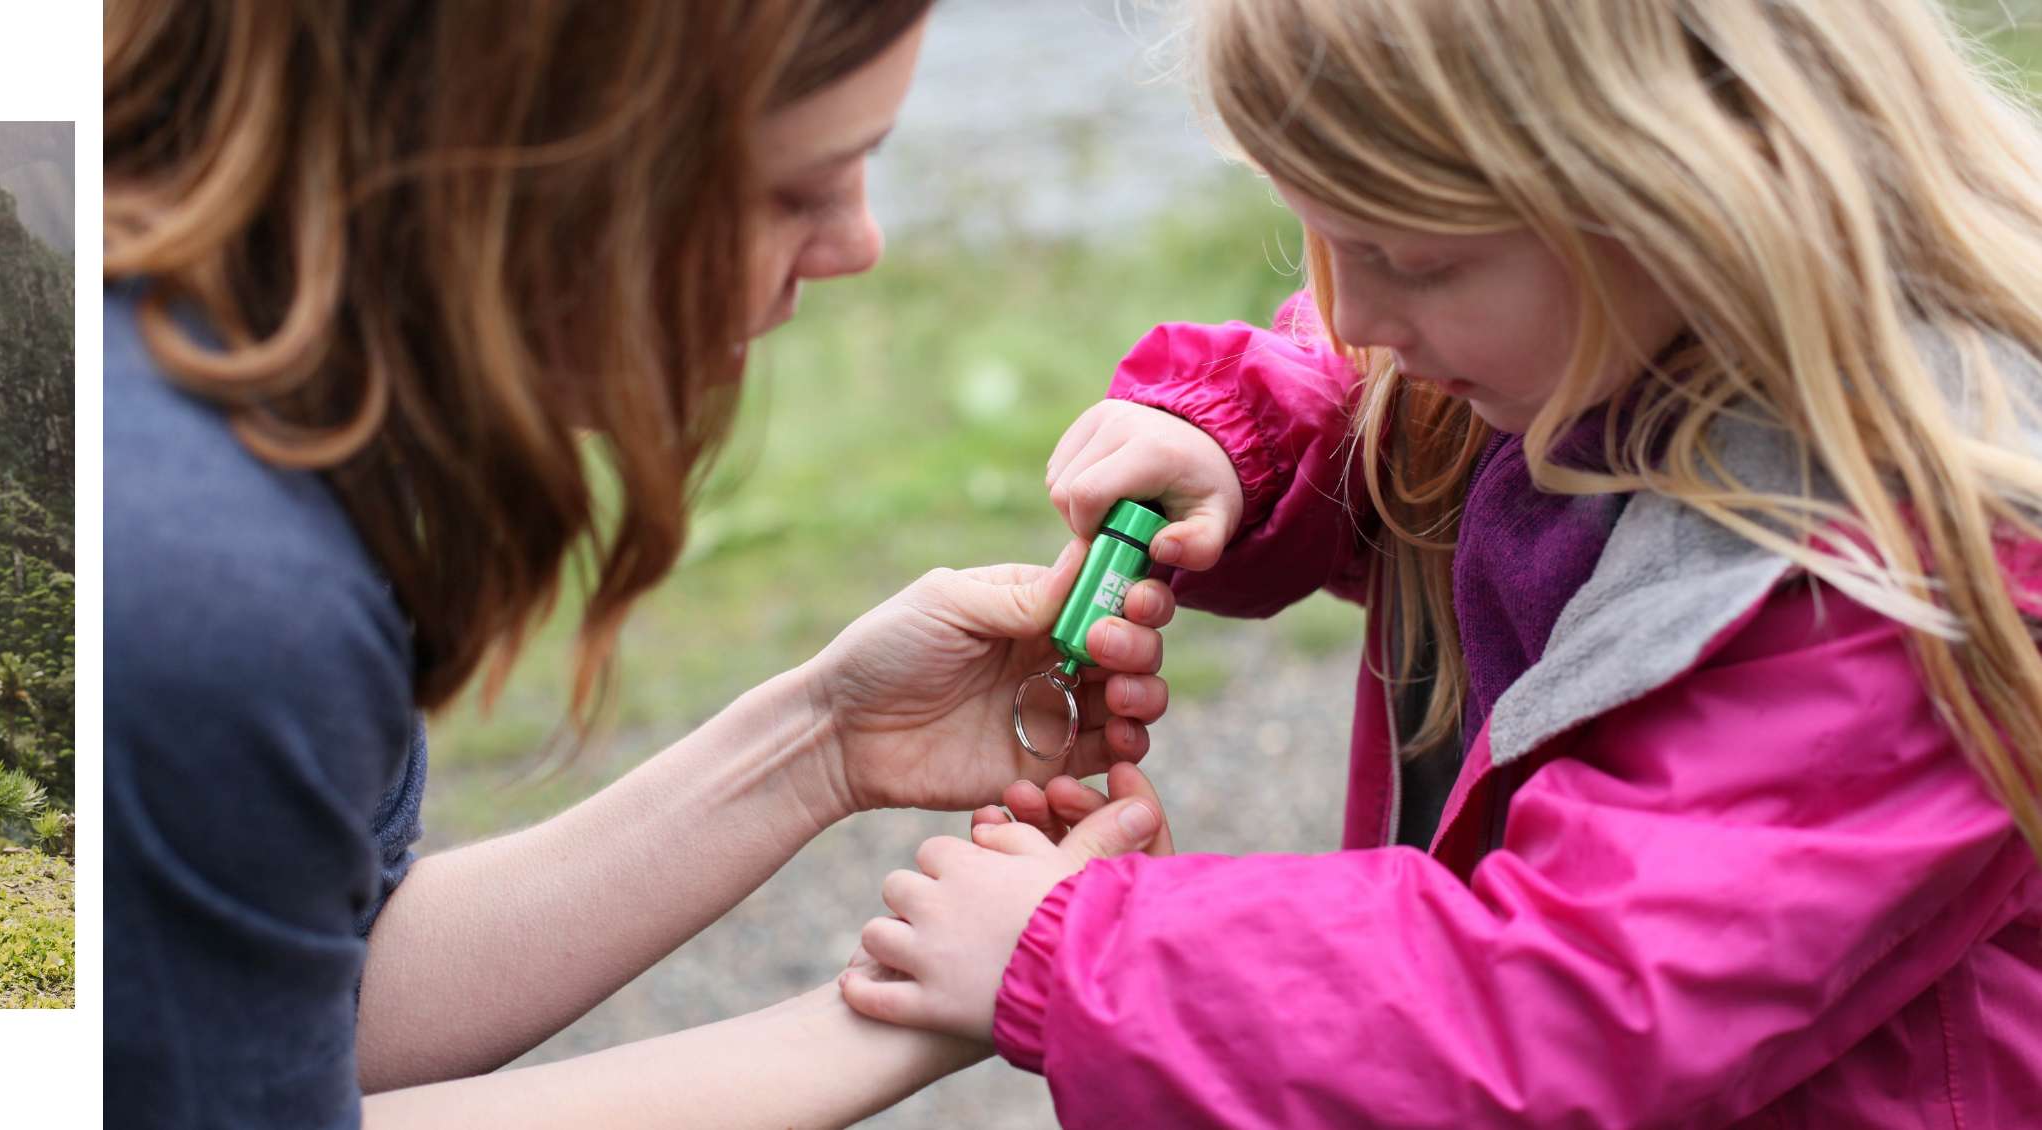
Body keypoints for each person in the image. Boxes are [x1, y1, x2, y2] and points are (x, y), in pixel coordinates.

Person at [838, 1, 2042, 1124]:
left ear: (1682, 190)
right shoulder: (1599, 343)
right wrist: (1240, 440)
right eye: (1323, 233)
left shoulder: (1903, 582)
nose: (1356, 312)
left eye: (1412, 260)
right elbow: (1378, 396)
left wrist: (1079, 948)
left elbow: (1567, 999)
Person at [102, 2, 1177, 1125]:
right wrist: (952, 992)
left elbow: (290, 992)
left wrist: (829, 737)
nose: (862, 244)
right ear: (535, 160)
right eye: (798, 189)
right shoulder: (216, 583)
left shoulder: (247, 380)